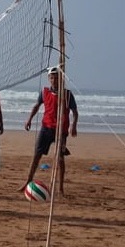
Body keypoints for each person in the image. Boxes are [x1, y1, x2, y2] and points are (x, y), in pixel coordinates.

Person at [18, 67, 78, 195]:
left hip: (61, 130)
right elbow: (36, 106)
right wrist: (29, 119)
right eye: (52, 78)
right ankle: (28, 181)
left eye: (56, 78)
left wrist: (73, 126)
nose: (54, 80)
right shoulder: (44, 92)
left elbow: (75, 112)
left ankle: (60, 188)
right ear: (49, 79)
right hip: (46, 127)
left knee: (60, 158)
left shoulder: (67, 94)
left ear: (61, 79)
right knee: (36, 155)